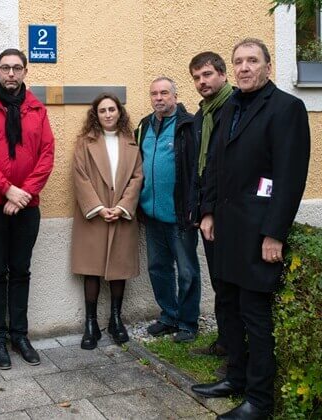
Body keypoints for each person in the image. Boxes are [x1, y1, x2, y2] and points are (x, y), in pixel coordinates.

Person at [191, 38, 310, 420]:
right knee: (227, 307)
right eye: (239, 61)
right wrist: (206, 212)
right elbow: (214, 168)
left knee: (255, 316)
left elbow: (290, 177)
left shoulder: (287, 108)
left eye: (252, 61)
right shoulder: (229, 108)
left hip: (258, 234)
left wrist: (274, 232)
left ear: (268, 66)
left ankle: (259, 401)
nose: (244, 68)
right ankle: (235, 378)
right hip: (224, 231)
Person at [0, 48, 54, 369]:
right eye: (6, 68)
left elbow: (46, 155)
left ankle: (20, 335)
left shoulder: (37, 110)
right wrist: (7, 190)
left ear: (25, 72)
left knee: (20, 271)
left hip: (27, 206)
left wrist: (24, 193)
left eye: (17, 68)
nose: (11, 74)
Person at [71, 93, 143, 349]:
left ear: (119, 112)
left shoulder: (131, 142)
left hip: (121, 215)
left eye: (112, 109)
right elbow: (80, 177)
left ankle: (115, 319)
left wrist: (123, 207)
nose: (108, 114)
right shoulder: (84, 143)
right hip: (93, 216)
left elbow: (137, 178)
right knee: (92, 269)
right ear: (96, 115)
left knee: (118, 269)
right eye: (102, 110)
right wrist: (99, 208)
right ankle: (91, 324)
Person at [136, 77, 201, 343]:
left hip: (180, 216)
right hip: (152, 214)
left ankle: (188, 322)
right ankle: (169, 315)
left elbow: (198, 170)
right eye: (154, 94)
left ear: (175, 96)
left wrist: (196, 208)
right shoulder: (144, 126)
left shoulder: (189, 125)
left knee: (187, 271)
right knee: (157, 268)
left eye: (164, 93)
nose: (159, 98)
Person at [187, 52, 233, 370]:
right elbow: (200, 168)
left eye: (207, 75)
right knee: (219, 279)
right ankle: (225, 342)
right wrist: (199, 210)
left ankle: (235, 351)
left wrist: (212, 211)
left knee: (230, 281)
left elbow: (224, 169)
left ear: (222, 74)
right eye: (197, 77)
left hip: (228, 212)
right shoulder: (203, 114)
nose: (202, 82)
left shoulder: (234, 109)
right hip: (208, 212)